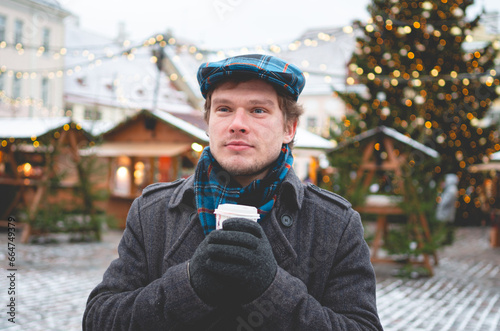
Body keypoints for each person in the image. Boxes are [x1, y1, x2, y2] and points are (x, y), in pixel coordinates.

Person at [83, 54, 383, 330]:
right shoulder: (153, 212)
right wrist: (188, 286)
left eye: (258, 110)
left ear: (289, 128)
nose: (238, 124)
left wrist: (272, 288)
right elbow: (100, 319)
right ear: (209, 122)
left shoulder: (335, 223)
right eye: (224, 109)